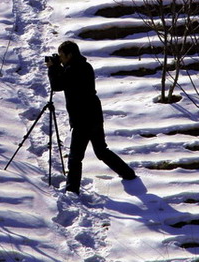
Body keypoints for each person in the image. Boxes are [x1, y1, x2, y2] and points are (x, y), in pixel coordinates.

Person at [46, 40, 136, 194]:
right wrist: (58, 66)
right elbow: (67, 79)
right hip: (94, 114)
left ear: (70, 54)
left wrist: (52, 68)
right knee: (101, 150)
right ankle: (128, 174)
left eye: (62, 56)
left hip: (82, 118)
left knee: (75, 158)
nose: (60, 59)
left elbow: (57, 85)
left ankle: (72, 190)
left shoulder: (73, 69)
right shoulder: (83, 66)